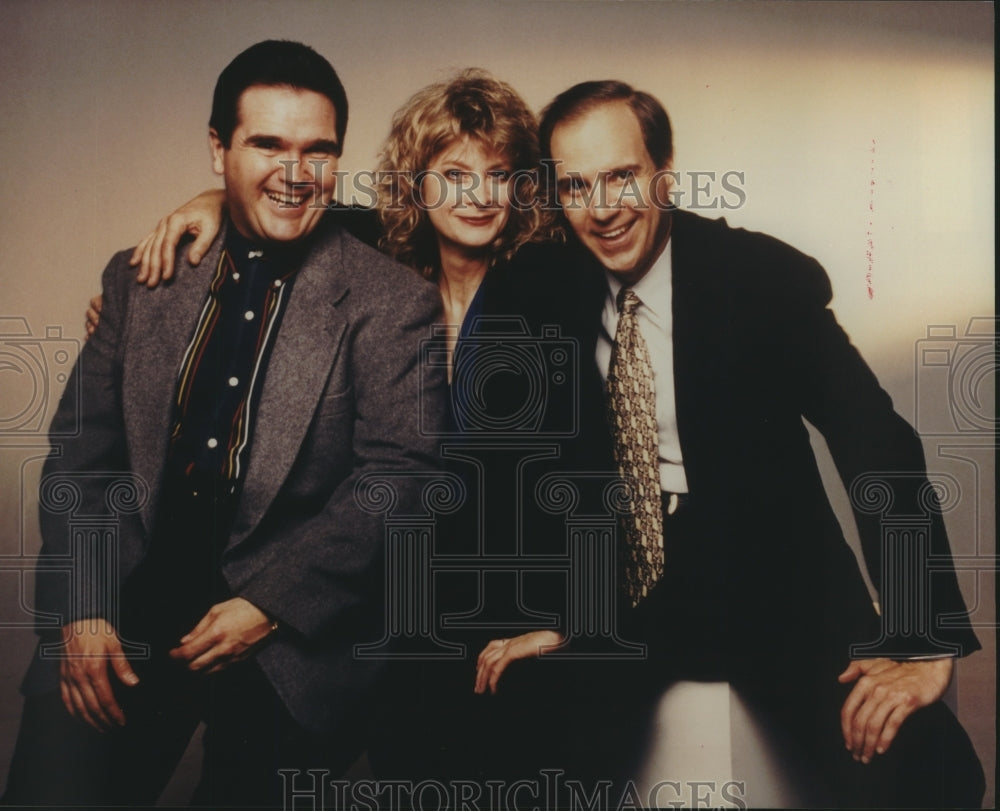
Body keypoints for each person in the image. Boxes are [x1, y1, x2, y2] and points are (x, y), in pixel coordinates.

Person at [2, 40, 446, 807]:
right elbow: (83, 457)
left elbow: (402, 476)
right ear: (218, 149)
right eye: (267, 143)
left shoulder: (392, 299)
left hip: (288, 621)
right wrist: (84, 603)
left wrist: (272, 603)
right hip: (130, 590)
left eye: (318, 150)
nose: (294, 171)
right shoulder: (143, 276)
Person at [532, 79, 984, 807]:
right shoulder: (549, 286)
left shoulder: (760, 279)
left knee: (927, 771)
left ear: (664, 172)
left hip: (776, 584)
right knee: (507, 735)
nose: (604, 207)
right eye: (577, 185)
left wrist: (922, 632)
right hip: (623, 597)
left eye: (622, 175)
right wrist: (543, 610)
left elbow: (875, 439)